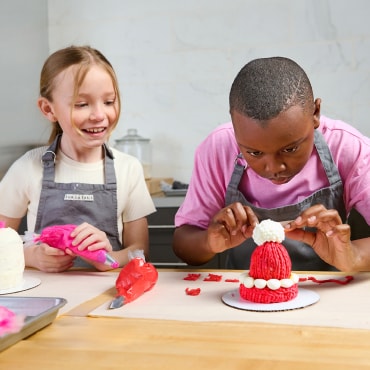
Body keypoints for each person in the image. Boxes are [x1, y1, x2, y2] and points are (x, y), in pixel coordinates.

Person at [173, 56, 370, 272]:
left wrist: (354, 256)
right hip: (243, 297)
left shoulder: (348, 147)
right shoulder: (218, 147)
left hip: (327, 292)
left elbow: (356, 257)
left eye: (290, 149)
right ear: (234, 128)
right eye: (254, 152)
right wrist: (209, 242)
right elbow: (183, 244)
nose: (274, 168)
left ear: (315, 113)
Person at [0, 45, 156, 272]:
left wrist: (109, 258)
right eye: (82, 104)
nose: (100, 115)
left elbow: (140, 251)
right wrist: (31, 256)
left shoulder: (128, 169)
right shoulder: (27, 167)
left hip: (105, 301)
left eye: (109, 101)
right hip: (44, 299)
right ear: (48, 109)